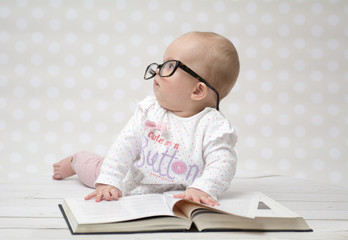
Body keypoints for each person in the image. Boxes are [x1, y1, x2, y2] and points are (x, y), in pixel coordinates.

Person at [53, 31, 240, 206]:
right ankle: (75, 161)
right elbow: (124, 146)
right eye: (162, 63)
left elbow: (223, 162)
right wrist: (109, 180)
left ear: (197, 90)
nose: (158, 70)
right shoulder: (149, 110)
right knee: (96, 170)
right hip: (131, 176)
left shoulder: (214, 126)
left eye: (170, 66)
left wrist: (203, 188)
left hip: (174, 192)